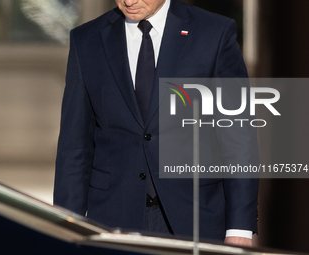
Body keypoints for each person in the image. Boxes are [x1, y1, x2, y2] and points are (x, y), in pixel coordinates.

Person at [54, 0, 259, 246]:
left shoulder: (214, 33)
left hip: (196, 219)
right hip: (113, 218)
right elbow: (74, 147)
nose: (129, 1)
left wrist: (240, 228)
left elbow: (239, 139)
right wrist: (65, 227)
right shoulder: (86, 40)